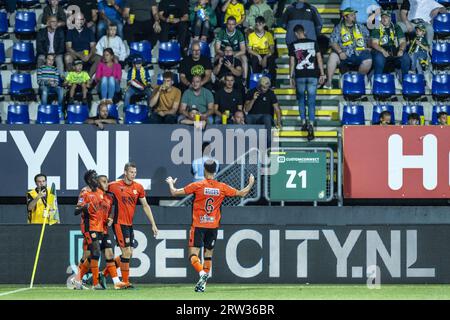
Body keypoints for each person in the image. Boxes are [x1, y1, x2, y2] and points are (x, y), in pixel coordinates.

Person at [165, 161, 255, 292]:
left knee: (193, 255)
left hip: (198, 225)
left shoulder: (198, 185)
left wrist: (171, 183)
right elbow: (242, 193)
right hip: (213, 226)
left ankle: (202, 274)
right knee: (208, 256)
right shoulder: (222, 187)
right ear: (216, 170)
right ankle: (203, 285)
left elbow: (174, 193)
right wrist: (251, 183)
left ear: (204, 170)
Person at [108, 162, 159, 288]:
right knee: (126, 252)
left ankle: (104, 274)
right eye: (131, 172)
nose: (133, 174)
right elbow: (100, 190)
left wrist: (153, 224)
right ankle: (124, 282)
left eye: (135, 172)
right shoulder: (114, 185)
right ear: (125, 172)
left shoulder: (139, 187)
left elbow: (145, 205)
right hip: (119, 223)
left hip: (129, 224)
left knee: (129, 253)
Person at [289, 24, 325, 140]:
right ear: (304, 31)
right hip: (312, 75)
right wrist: (322, 74)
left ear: (295, 33)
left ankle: (304, 122)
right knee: (311, 102)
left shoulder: (293, 44)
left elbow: (292, 61)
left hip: (300, 75)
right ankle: (311, 124)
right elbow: (319, 58)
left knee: (301, 100)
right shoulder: (313, 42)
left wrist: (291, 77)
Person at [324, 7, 372, 89]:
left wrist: (369, 46)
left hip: (360, 53)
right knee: (332, 56)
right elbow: (333, 42)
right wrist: (340, 52)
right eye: (352, 15)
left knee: (368, 60)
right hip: (344, 53)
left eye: (354, 14)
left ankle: (358, 79)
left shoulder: (361, 27)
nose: (354, 16)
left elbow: (368, 38)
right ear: (345, 17)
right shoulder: (338, 28)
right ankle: (329, 82)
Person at [371, 10, 410, 77]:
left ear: (390, 18)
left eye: (386, 17)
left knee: (405, 57)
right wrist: (383, 51)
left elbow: (403, 41)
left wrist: (401, 50)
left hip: (394, 48)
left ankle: (404, 79)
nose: (384, 19)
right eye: (382, 17)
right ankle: (377, 78)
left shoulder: (396, 27)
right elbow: (374, 43)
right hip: (381, 49)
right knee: (379, 58)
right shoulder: (377, 28)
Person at [244, 76, 281, 145]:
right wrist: (253, 99)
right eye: (264, 87)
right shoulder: (251, 92)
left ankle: (268, 146)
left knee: (267, 118)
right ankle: (248, 145)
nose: (265, 89)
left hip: (265, 116)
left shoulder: (271, 93)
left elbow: (277, 109)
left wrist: (278, 122)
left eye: (267, 87)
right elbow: (246, 109)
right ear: (259, 85)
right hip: (252, 116)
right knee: (248, 118)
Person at [215, 16, 248, 82]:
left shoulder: (239, 33)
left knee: (244, 58)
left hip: (235, 52)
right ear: (226, 24)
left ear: (235, 24)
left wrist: (233, 55)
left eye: (233, 24)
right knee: (215, 58)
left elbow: (243, 50)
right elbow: (217, 49)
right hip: (224, 52)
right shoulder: (221, 32)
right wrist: (224, 54)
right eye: (229, 24)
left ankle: (244, 79)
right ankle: (215, 78)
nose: (231, 26)